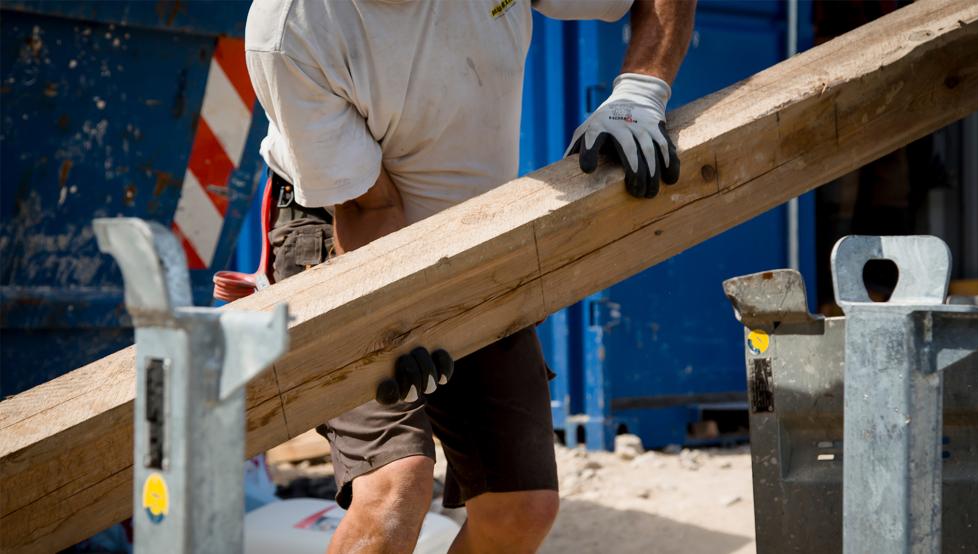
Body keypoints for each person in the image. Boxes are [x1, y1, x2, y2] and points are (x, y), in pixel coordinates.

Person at [245, 0, 694, 551]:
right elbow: (369, 209)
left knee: (520, 507)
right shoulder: (292, 27)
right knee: (394, 490)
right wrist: (396, 327)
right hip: (344, 231)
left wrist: (639, 93)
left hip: (474, 228)